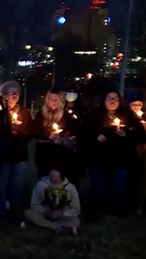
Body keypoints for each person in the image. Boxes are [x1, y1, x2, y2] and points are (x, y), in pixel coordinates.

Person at [83, 90, 145, 219]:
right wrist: (96, 135)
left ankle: (121, 211)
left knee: (120, 186)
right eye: (109, 97)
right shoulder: (95, 115)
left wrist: (127, 134)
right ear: (104, 100)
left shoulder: (129, 115)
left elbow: (141, 135)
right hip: (98, 158)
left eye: (116, 98)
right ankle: (93, 212)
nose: (113, 100)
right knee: (97, 187)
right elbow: (84, 132)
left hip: (121, 158)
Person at [0, 81, 31, 218]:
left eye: (16, 93)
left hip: (19, 154)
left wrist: (19, 133)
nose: (14, 95)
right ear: (4, 96)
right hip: (4, 154)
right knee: (1, 185)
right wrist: (8, 131)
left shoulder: (24, 112)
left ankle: (15, 213)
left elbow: (29, 132)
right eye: (11, 93)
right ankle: (0, 212)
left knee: (16, 186)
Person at [31, 89, 78, 184]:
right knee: (44, 181)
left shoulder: (66, 116)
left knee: (60, 181)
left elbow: (73, 131)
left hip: (61, 155)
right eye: (51, 99)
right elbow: (34, 131)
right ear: (47, 100)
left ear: (60, 101)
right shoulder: (41, 115)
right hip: (44, 154)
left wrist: (62, 139)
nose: (53, 102)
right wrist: (47, 136)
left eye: (56, 99)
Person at [24, 167, 80, 233]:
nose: (53, 173)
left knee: (76, 221)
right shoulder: (40, 185)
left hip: (62, 218)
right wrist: (46, 211)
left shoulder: (71, 188)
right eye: (51, 170)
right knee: (28, 213)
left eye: (56, 170)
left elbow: (76, 210)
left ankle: (46, 228)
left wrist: (62, 213)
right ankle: (57, 228)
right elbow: (34, 205)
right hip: (43, 217)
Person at [128, 94, 146, 213]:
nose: (137, 107)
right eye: (134, 105)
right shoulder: (126, 117)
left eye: (139, 105)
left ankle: (140, 204)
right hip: (129, 152)